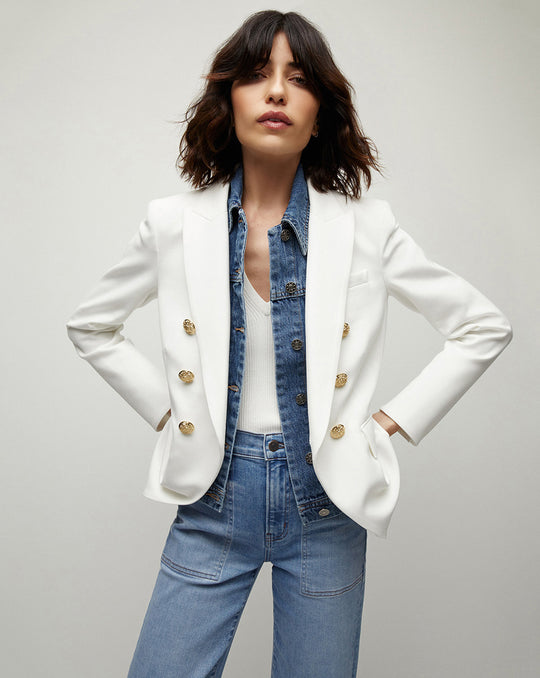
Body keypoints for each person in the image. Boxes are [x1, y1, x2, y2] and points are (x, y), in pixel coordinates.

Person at [66, 9, 513, 678]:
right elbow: (90, 324)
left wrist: (386, 425)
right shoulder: (172, 224)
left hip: (327, 500)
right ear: (228, 101)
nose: (276, 91)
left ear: (320, 114)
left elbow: (483, 326)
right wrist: (172, 413)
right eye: (256, 75)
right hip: (214, 494)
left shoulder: (368, 229)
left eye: (298, 79)